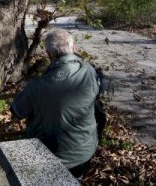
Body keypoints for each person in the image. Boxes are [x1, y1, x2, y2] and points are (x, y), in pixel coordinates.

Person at [11, 28, 100, 178]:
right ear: (73, 48)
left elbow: (16, 111)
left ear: (48, 54)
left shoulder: (36, 86)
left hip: (48, 154)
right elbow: (98, 92)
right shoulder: (89, 71)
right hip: (83, 151)